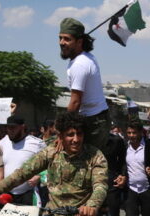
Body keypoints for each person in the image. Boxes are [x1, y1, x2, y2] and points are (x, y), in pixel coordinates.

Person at [59, 17, 111, 151]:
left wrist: (63, 132)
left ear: (79, 42)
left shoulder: (79, 64)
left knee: (86, 165)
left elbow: (75, 103)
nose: (62, 43)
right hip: (95, 119)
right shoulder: (84, 58)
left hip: (94, 123)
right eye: (60, 38)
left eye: (67, 39)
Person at [0, 116, 46, 205]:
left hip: (28, 194)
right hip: (7, 195)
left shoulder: (37, 143)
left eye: (13, 127)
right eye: (8, 128)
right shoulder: (4, 141)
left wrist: (39, 176)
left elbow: (49, 165)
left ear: (23, 127)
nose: (10, 130)